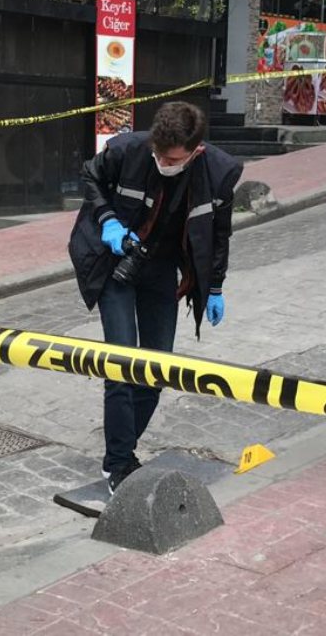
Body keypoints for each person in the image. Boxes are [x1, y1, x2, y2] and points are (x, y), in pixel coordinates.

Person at [68, 102, 242, 494]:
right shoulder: (128, 150)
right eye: (158, 154)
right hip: (116, 262)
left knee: (156, 368)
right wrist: (108, 221)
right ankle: (118, 464)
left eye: (172, 159)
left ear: (196, 151)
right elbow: (90, 176)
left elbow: (219, 234)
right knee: (121, 364)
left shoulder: (219, 172)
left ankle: (122, 446)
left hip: (161, 269)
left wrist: (215, 286)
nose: (163, 163)